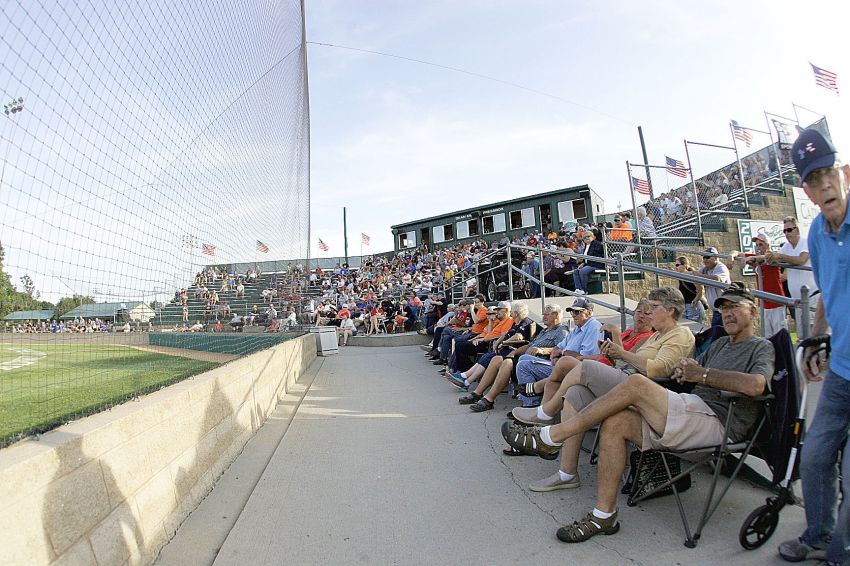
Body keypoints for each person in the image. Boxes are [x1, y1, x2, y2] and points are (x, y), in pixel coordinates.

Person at [503, 284, 772, 544]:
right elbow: (689, 372)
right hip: (689, 408)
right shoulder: (720, 345)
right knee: (615, 422)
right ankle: (603, 516)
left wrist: (702, 374)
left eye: (735, 306)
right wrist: (687, 369)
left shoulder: (762, 347)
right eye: (724, 307)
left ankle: (550, 434)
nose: (727, 312)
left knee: (633, 383)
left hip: (718, 421)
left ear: (753, 311)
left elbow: (756, 385)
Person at [778, 129, 849, 566]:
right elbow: (826, 291)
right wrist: (816, 336)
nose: (824, 184)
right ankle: (820, 535)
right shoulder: (819, 234)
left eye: (828, 173)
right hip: (841, 371)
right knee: (817, 457)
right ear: (805, 190)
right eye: (813, 178)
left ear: (844, 173)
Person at [459, 304, 567, 413]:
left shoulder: (561, 330)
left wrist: (542, 350)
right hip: (528, 359)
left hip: (542, 361)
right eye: (543, 314)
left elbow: (562, 350)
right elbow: (529, 346)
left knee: (507, 363)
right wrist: (514, 352)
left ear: (556, 315)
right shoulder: (544, 331)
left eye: (546, 314)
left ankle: (489, 399)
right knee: (496, 359)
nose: (543, 317)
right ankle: (477, 393)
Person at [515, 297, 602, 407]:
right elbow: (558, 348)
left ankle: (531, 405)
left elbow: (584, 358)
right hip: (560, 364)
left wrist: (562, 353)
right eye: (572, 311)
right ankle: (529, 400)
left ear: (589, 313)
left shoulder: (593, 327)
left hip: (573, 369)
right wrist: (556, 356)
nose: (573, 315)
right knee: (523, 358)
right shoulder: (578, 328)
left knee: (523, 365)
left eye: (577, 312)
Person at [765, 216, 819, 333]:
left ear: (797, 230)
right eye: (784, 231)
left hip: (812, 297)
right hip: (798, 301)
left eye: (789, 230)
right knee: (801, 336)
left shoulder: (805, 241)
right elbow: (775, 257)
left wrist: (779, 256)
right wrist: (755, 258)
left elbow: (801, 260)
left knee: (814, 335)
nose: (786, 233)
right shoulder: (786, 246)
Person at [731, 233, 787, 337]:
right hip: (764, 303)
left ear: (768, 245)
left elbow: (766, 257)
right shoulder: (756, 258)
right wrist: (732, 256)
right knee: (768, 336)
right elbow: (738, 253)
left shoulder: (772, 257)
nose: (758, 247)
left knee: (780, 336)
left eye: (761, 244)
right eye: (757, 245)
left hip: (777, 303)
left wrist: (750, 259)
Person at [697, 247, 731, 326]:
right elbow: (694, 275)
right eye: (704, 257)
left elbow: (717, 279)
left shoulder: (721, 267)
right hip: (716, 312)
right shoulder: (705, 269)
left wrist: (699, 276)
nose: (705, 260)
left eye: (707, 257)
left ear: (716, 257)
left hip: (725, 310)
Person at [674, 256, 705, 324]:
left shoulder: (691, 275)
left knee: (695, 329)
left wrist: (694, 301)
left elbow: (701, 290)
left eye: (677, 265)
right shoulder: (679, 276)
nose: (676, 267)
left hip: (693, 306)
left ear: (684, 265)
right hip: (684, 306)